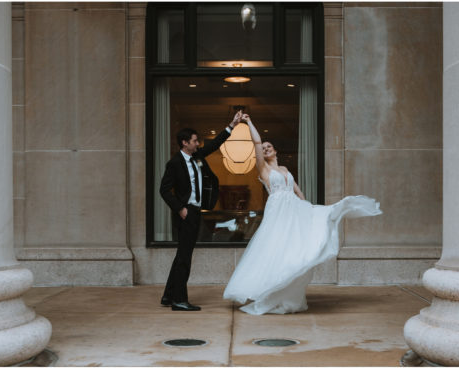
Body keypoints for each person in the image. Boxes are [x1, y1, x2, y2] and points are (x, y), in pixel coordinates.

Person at [223, 114, 381, 315]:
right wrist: (249, 122)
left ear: (276, 151)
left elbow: (297, 191)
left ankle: (287, 288)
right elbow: (256, 142)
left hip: (293, 208)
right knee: (277, 246)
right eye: (263, 148)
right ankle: (270, 288)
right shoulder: (263, 169)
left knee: (296, 245)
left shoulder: (285, 169)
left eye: (268, 147)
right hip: (278, 210)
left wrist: (306, 209)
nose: (265, 149)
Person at [158, 111, 240, 311]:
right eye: (194, 141)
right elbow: (164, 190)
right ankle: (179, 300)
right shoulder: (175, 163)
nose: (198, 143)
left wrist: (232, 125)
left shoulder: (197, 157)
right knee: (184, 257)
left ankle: (169, 296)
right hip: (186, 214)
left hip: (195, 212)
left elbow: (214, 144)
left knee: (181, 256)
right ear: (185, 143)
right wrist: (180, 208)